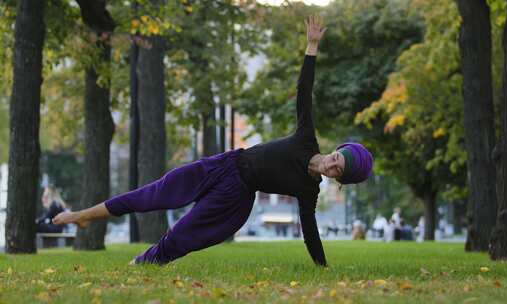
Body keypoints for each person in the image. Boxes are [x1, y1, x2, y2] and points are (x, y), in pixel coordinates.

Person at [53, 16, 373, 267]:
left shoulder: (308, 191)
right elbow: (305, 91)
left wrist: (323, 268)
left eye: (338, 171)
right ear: (336, 151)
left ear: (339, 180)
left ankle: (142, 263)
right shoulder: (306, 139)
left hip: (236, 197)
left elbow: (310, 232)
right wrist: (312, 48)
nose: (331, 165)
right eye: (337, 158)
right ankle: (82, 215)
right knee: (154, 193)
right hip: (223, 164)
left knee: (185, 234)